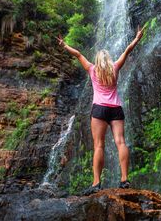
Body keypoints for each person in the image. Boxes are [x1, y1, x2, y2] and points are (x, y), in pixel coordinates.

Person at [57, 25, 145, 195]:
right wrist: (137, 38)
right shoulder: (115, 67)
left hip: (99, 109)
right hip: (116, 108)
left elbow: (78, 54)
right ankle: (124, 179)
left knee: (99, 145)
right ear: (109, 59)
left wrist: (64, 45)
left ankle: (96, 183)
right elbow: (127, 51)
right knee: (120, 142)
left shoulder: (92, 69)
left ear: (97, 60)